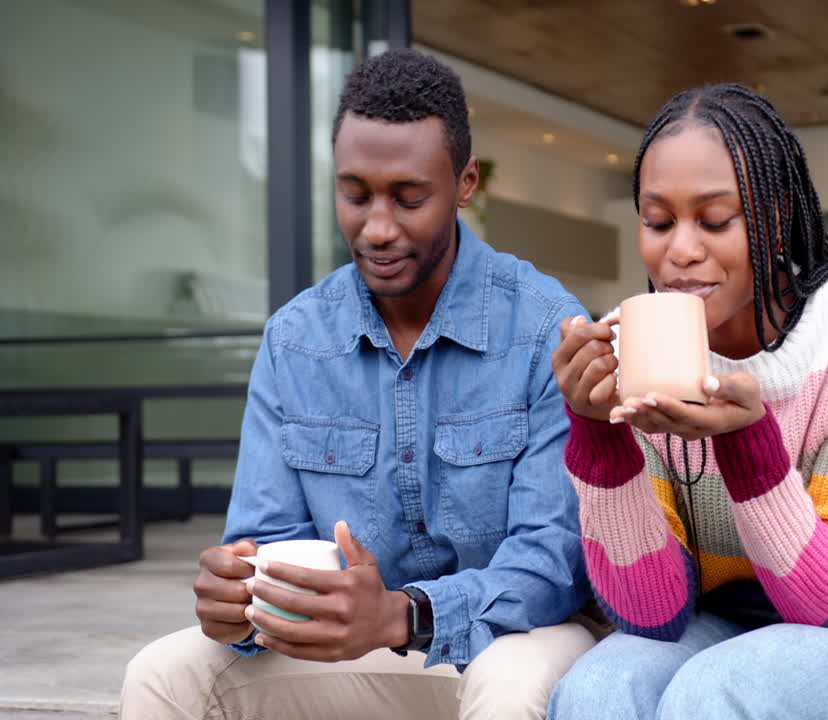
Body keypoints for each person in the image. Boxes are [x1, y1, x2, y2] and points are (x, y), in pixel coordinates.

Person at [121, 49, 597, 720]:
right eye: (355, 193)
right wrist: (238, 602)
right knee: (165, 676)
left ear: (465, 184)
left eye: (408, 198)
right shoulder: (295, 341)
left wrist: (403, 614)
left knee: (509, 684)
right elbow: (266, 542)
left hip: (515, 639)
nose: (377, 228)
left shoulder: (548, 328)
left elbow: (553, 565)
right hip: (363, 649)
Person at [548, 83, 828, 719]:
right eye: (658, 221)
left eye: (716, 220)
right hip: (726, 622)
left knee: (717, 694)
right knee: (596, 693)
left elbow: (827, 602)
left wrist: (746, 444)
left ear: (776, 217)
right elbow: (652, 613)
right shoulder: (633, 346)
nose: (681, 251)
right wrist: (599, 436)